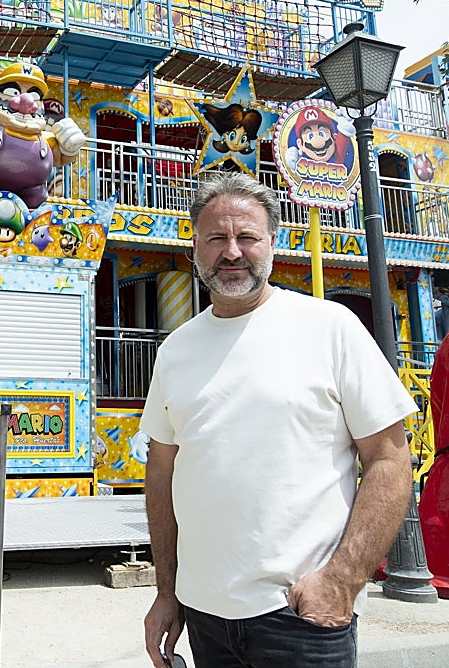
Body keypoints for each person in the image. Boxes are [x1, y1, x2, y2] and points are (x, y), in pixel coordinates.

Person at [140, 171, 417, 668]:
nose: (231, 252)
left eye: (246, 237)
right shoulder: (175, 350)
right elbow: (162, 471)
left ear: (273, 242)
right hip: (203, 615)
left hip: (298, 614)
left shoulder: (329, 327)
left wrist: (342, 579)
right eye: (216, 239)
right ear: (194, 247)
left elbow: (390, 460)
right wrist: (167, 591)